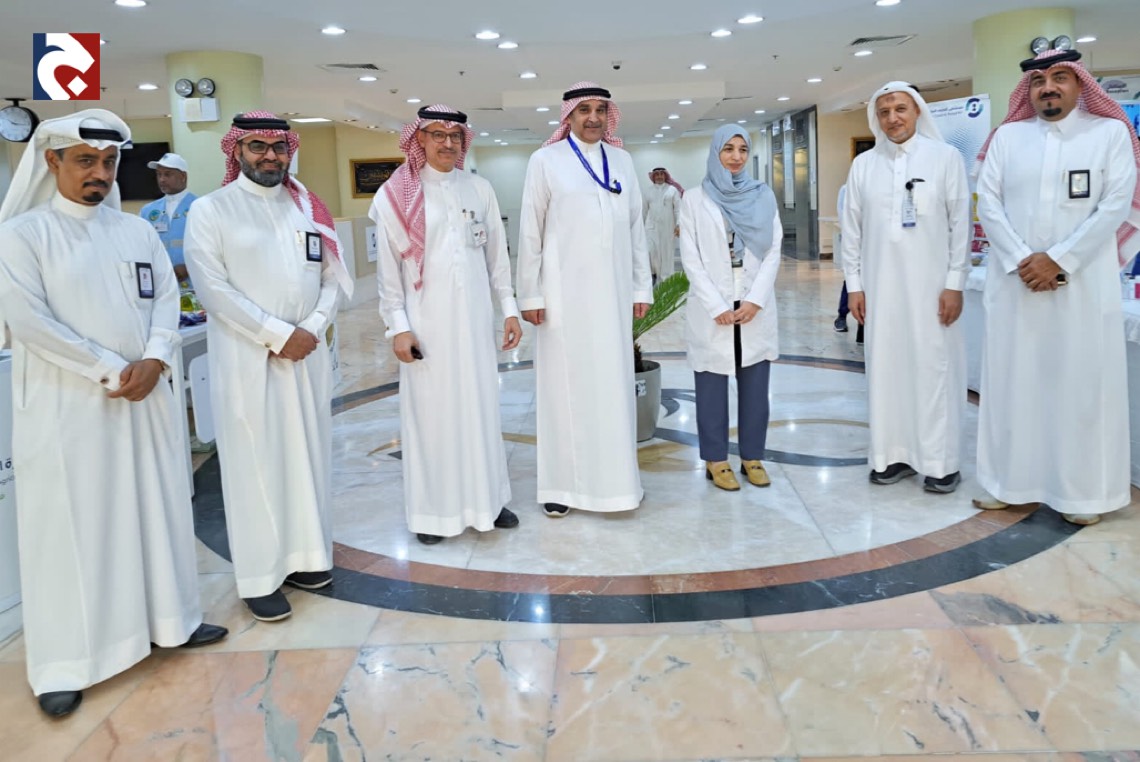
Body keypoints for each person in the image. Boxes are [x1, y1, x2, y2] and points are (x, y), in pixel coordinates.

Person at [0, 110, 226, 718]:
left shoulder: (135, 232)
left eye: (108, 162)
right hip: (69, 408)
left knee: (155, 509)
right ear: (52, 161)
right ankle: (66, 663)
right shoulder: (22, 235)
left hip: (144, 399)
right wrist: (110, 368)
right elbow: (29, 322)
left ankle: (172, 621)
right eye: (85, 161)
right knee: (73, 529)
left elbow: (164, 302)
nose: (99, 173)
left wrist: (155, 358)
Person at [185, 111, 354, 621]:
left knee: (307, 456)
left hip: (305, 358)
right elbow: (212, 289)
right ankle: (260, 576)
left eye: (278, 147)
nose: (270, 156)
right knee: (255, 464)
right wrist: (277, 334)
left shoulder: (306, 207)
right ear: (237, 150)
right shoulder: (212, 210)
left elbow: (333, 277)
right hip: (249, 360)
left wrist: (314, 325)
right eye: (257, 146)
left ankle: (307, 558)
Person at [973, 48, 1140, 525]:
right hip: (1017, 285)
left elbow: (1116, 204)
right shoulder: (1008, 136)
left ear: (1080, 84)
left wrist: (1059, 260)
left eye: (1060, 77)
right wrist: (1024, 261)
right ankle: (1007, 484)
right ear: (1027, 90)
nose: (1048, 87)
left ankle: (1082, 496)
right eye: (1038, 80)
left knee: (1080, 387)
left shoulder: (1109, 133)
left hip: (1082, 288)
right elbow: (988, 201)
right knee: (1013, 385)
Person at [370, 105, 522, 544]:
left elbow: (497, 256)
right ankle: (432, 515)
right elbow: (388, 274)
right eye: (438, 134)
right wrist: (398, 326)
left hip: (474, 324)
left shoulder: (479, 188)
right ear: (419, 139)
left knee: (480, 410)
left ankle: (489, 502)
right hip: (426, 327)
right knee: (432, 418)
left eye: (455, 135)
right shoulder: (395, 196)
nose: (448, 143)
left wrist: (509, 308)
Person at [517, 82, 652, 518]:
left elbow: (635, 228)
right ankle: (560, 486)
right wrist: (530, 293)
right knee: (564, 391)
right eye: (584, 110)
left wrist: (641, 288)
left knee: (612, 388)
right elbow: (530, 230)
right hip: (562, 298)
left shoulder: (623, 161)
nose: (593, 117)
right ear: (569, 116)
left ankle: (619, 485)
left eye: (600, 110)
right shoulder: (545, 161)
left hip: (613, 296)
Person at [842, 81, 971, 493]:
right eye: (884, 112)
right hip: (880, 289)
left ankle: (940, 462)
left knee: (934, 369)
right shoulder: (864, 165)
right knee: (886, 370)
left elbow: (960, 226)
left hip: (933, 291)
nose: (892, 118)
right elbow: (851, 231)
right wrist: (855, 286)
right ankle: (891, 455)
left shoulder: (945, 158)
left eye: (900, 109)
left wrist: (954, 283)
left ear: (917, 111)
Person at [680, 125, 782, 491]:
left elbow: (773, 250)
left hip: (753, 303)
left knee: (755, 388)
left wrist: (755, 299)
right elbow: (690, 257)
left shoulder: (763, 195)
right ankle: (716, 460)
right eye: (728, 149)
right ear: (715, 153)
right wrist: (715, 304)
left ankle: (752, 456)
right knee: (711, 386)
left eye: (742, 149)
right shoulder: (694, 199)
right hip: (714, 307)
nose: (736, 157)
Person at [139, 152, 195, 283]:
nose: (162, 179)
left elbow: (212, 248)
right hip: (161, 282)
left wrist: (189, 267)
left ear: (183, 176)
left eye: (168, 174)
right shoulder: (147, 211)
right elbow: (141, 247)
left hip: (193, 283)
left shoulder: (199, 206)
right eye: (159, 174)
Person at [644, 167, 681, 281]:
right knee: (652, 252)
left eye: (661, 174)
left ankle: (667, 280)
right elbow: (644, 210)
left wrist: (678, 224)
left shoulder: (672, 190)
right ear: (653, 176)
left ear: (665, 176)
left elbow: (678, 209)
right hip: (651, 228)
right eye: (657, 174)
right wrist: (640, 228)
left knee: (667, 255)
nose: (659, 176)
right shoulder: (648, 191)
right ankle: (655, 277)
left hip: (668, 228)